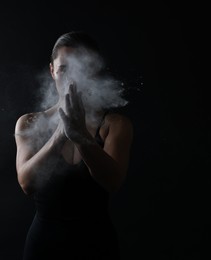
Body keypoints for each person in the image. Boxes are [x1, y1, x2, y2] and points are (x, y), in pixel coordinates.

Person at [14, 31, 133, 260]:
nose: (72, 78)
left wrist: (80, 136)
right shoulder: (30, 123)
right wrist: (61, 133)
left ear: (95, 72)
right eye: (64, 69)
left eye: (82, 70)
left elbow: (113, 181)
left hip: (97, 246)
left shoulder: (114, 125)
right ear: (52, 71)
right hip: (43, 247)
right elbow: (27, 183)